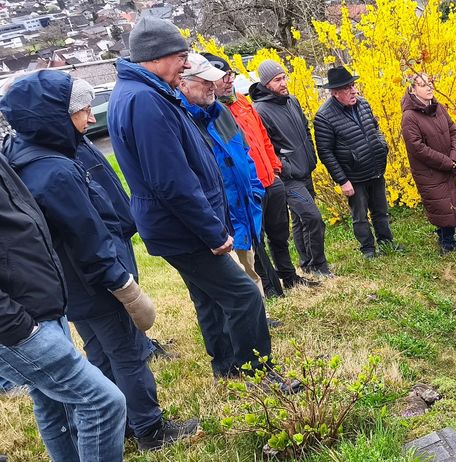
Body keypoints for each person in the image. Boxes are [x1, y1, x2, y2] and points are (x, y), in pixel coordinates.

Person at [2, 70, 200, 452]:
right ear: (54, 116)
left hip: (71, 287)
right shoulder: (55, 170)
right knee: (128, 352)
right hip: (96, 282)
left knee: (100, 353)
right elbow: (88, 236)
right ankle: (150, 429)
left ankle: (122, 424)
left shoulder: (26, 156)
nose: (91, 118)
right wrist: (123, 285)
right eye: (81, 111)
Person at [108, 17, 291, 390]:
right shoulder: (143, 100)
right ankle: (259, 375)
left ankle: (225, 365)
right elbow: (171, 179)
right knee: (243, 296)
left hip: (177, 225)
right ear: (156, 57)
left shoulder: (144, 93)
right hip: (184, 227)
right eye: (180, 57)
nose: (185, 65)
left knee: (208, 297)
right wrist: (211, 230)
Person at [0, 137, 127, 461]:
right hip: (17, 324)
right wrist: (17, 326)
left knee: (50, 398)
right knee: (102, 401)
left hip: (38, 304)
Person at [204, 54, 318, 294]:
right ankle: (269, 285)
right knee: (257, 238)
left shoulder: (243, 103)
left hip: (270, 180)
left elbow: (263, 137)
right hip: (250, 185)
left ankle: (289, 276)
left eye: (230, 75)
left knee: (280, 234)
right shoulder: (216, 112)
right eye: (223, 77)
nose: (229, 81)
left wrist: (275, 167)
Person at [178, 54, 265, 296]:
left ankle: (260, 319)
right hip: (216, 222)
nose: (211, 87)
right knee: (232, 287)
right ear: (183, 83)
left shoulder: (221, 113)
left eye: (211, 81)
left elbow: (245, 154)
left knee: (249, 271)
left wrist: (256, 190)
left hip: (243, 211)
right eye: (205, 82)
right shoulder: (181, 120)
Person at [251, 60, 332, 277]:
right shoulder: (260, 110)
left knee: (300, 219)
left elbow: (305, 129)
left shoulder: (292, 101)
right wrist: (286, 168)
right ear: (266, 83)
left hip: (305, 169)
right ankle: (319, 264)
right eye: (278, 80)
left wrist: (311, 157)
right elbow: (265, 146)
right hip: (289, 178)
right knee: (313, 217)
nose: (283, 82)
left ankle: (307, 263)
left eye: (284, 77)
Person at [313, 67, 397, 258]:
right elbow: (325, 152)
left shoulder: (363, 104)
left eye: (353, 85)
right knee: (360, 216)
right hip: (354, 175)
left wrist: (381, 146)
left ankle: (386, 242)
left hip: (375, 168)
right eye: (347, 88)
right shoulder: (324, 116)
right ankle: (368, 249)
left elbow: (375, 128)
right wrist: (342, 180)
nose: (353, 91)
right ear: (335, 92)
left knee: (381, 210)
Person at [400, 72, 456, 253]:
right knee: (440, 204)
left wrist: (455, 157)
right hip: (429, 171)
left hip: (447, 165)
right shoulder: (410, 117)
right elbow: (417, 148)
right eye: (422, 85)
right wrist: (446, 162)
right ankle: (446, 242)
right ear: (413, 90)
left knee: (449, 200)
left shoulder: (438, 108)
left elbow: (454, 132)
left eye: (429, 83)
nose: (428, 87)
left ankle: (448, 237)